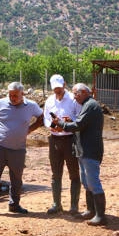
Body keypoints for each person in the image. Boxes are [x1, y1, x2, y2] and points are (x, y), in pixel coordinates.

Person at [0, 81, 44, 216]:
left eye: (15, 95)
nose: (12, 98)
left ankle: (14, 205)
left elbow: (42, 118)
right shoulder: (1, 103)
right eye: (10, 95)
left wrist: (29, 130)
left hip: (18, 149)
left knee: (16, 178)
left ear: (22, 94)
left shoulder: (31, 106)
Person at [51, 83, 106, 225]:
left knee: (93, 182)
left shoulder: (91, 105)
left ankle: (100, 216)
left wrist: (61, 123)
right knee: (87, 182)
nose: (74, 97)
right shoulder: (87, 105)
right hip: (83, 150)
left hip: (90, 150)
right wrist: (70, 122)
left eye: (76, 94)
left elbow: (78, 125)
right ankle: (91, 211)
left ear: (83, 92)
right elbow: (80, 123)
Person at [43, 74, 81, 215]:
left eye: (59, 88)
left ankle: (74, 205)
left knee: (74, 173)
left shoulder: (73, 99)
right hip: (54, 140)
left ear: (64, 85)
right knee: (55, 173)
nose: (57, 91)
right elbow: (46, 118)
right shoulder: (49, 101)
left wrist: (67, 122)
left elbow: (79, 117)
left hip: (70, 139)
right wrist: (51, 126)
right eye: (55, 89)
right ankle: (56, 204)